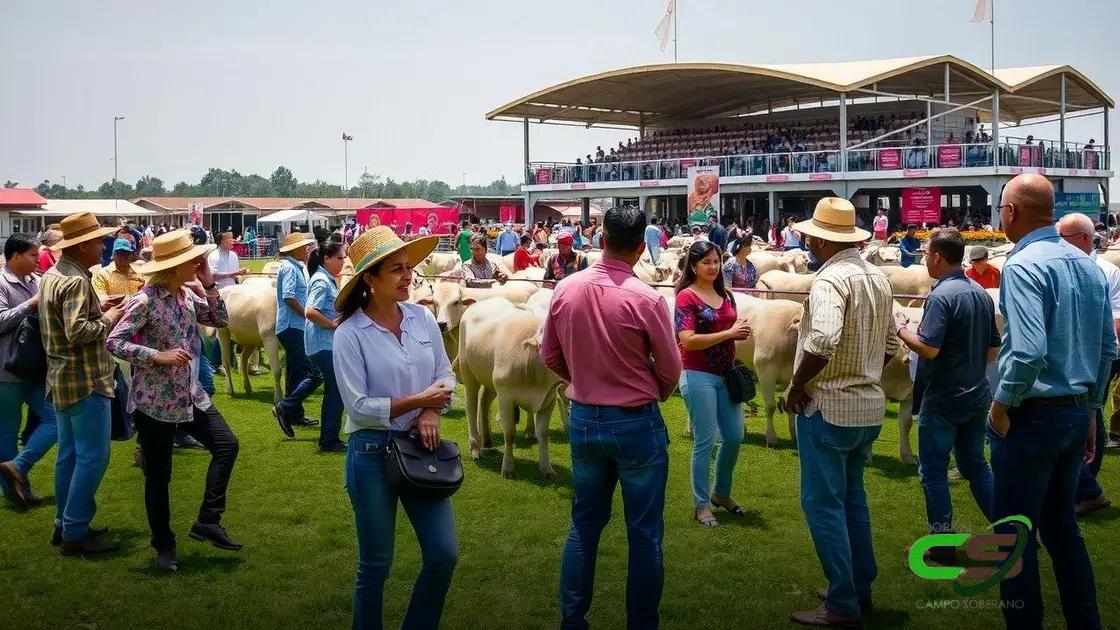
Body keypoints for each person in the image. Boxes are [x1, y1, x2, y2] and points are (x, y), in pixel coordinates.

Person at [540, 206, 682, 630]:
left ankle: (572, 620)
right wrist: (654, 391)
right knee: (644, 534)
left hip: (584, 420)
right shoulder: (649, 298)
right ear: (642, 248)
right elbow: (671, 368)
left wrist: (582, 379)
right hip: (635, 420)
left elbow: (549, 354)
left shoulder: (565, 289)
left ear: (601, 240)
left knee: (584, 525)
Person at [988, 174, 1114, 628]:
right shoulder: (1087, 264)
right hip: (1076, 410)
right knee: (1063, 529)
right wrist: (1093, 412)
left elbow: (1027, 351)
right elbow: (1108, 349)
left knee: (1013, 536)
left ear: (1010, 213)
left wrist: (1002, 405)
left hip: (1032, 415)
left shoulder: (1023, 266)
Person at [780, 198, 898, 627]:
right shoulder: (878, 278)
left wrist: (796, 387)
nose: (807, 240)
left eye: (811, 235)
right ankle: (857, 587)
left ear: (822, 239)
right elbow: (890, 345)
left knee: (822, 505)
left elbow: (822, 341)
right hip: (867, 408)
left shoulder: (830, 280)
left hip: (827, 406)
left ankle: (842, 603)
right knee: (853, 501)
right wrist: (864, 375)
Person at [333, 226, 457, 630]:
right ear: (369, 279)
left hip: (422, 448)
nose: (408, 276)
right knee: (375, 565)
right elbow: (360, 407)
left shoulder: (422, 317)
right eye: (397, 270)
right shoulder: (350, 333)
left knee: (443, 555)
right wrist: (421, 401)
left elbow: (446, 374)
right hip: (371, 452)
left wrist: (432, 413)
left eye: (409, 268)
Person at [106, 229, 241, 572]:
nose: (199, 263)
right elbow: (115, 341)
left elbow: (220, 320)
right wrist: (156, 355)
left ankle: (208, 520)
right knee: (159, 476)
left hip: (190, 394)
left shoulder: (186, 295)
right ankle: (164, 545)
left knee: (227, 445)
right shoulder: (145, 300)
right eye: (193, 260)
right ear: (175, 266)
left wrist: (209, 285)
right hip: (155, 402)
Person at [893, 228, 997, 558]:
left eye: (926, 254)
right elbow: (993, 349)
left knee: (933, 471)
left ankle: (941, 543)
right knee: (977, 467)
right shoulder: (980, 292)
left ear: (937, 257)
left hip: (944, 399)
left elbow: (929, 348)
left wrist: (900, 327)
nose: (924, 259)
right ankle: (1013, 531)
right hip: (977, 394)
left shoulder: (940, 297)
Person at [39, 212, 127, 554]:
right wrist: (109, 316)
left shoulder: (53, 274)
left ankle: (64, 524)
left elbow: (65, 323)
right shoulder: (77, 281)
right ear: (83, 245)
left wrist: (98, 307)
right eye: (99, 240)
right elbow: (78, 331)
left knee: (69, 455)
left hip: (61, 377)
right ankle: (75, 531)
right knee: (93, 456)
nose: (103, 246)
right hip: (87, 378)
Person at [675, 241, 751, 528]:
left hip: (725, 374)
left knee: (734, 436)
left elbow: (727, 328)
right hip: (697, 374)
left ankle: (721, 493)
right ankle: (701, 503)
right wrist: (729, 333)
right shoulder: (686, 297)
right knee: (705, 439)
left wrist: (737, 332)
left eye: (716, 261)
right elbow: (688, 340)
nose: (712, 267)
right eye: (706, 262)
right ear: (693, 266)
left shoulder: (726, 295)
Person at [1057, 213, 1120, 517]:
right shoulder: (1063, 268)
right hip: (1073, 357)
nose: (1059, 244)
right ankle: (1083, 489)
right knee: (1084, 417)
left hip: (1096, 357)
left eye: (1063, 238)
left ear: (1083, 237)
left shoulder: (1105, 271)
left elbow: (1114, 324)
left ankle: (1089, 488)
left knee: (1091, 414)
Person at [0, 234, 57, 510]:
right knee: (7, 432)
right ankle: (18, 491)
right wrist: (30, 304)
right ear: (15, 256)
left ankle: (18, 468)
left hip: (35, 368)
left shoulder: (37, 281)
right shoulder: (1, 282)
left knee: (55, 421)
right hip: (6, 370)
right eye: (33, 255)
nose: (38, 259)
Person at [272, 232, 323, 437]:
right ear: (293, 249)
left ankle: (294, 413)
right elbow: (289, 297)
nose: (306, 250)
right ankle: (284, 407)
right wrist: (307, 314)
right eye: (303, 247)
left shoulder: (293, 267)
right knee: (314, 372)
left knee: (296, 373)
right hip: (292, 326)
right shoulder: (291, 268)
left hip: (292, 326)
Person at [304, 238, 347, 453]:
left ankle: (328, 438)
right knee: (336, 390)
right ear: (327, 258)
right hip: (323, 345)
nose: (343, 261)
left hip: (323, 344)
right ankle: (329, 439)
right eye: (340, 258)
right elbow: (310, 311)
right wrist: (331, 324)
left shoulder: (327, 279)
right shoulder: (321, 281)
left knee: (334, 389)